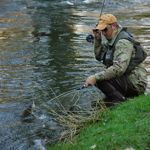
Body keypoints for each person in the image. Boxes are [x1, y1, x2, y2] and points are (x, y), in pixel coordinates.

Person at [85, 14, 147, 106]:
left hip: (136, 83)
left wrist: (95, 77)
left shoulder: (122, 42)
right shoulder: (112, 40)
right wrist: (98, 39)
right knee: (101, 76)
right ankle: (116, 98)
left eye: (105, 29)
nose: (104, 33)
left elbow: (119, 69)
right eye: (102, 30)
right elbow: (99, 57)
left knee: (99, 79)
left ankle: (120, 101)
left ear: (113, 26)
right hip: (127, 78)